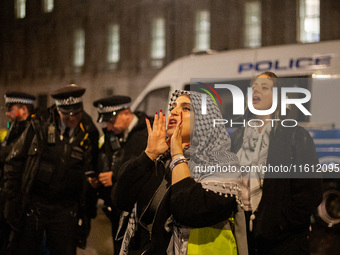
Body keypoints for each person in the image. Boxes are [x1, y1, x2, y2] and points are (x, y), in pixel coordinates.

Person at [113, 90, 247, 255]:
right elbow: (120, 198)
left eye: (186, 108)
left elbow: (189, 209)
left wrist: (178, 157)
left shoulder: (223, 162)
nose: (174, 112)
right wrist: (149, 154)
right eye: (174, 108)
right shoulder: (160, 160)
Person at [230, 72, 323, 255]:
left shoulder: (294, 135)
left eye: (264, 87)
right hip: (244, 238)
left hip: (283, 242)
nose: (256, 90)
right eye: (253, 87)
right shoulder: (237, 138)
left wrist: (279, 224)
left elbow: (310, 192)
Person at [4, 84, 97, 255]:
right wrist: (13, 199)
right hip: (35, 206)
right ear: (57, 109)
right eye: (67, 114)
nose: (72, 118)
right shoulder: (38, 126)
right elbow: (13, 163)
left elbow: (93, 169)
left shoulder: (89, 131)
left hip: (66, 210)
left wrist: (87, 209)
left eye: (76, 113)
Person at [90, 95, 149, 254]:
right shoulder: (112, 135)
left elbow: (145, 169)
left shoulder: (146, 134)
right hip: (117, 211)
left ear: (126, 114)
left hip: (139, 215)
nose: (108, 127)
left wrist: (115, 177)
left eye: (111, 122)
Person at [0, 91, 36, 254]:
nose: (7, 113)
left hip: (20, 197)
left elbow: (14, 154)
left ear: (23, 109)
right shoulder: (15, 127)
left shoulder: (33, 129)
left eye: (11, 108)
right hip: (9, 193)